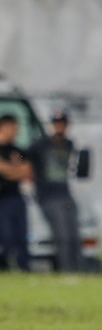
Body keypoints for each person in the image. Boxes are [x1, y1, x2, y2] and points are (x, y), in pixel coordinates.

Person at [25, 110, 84, 272]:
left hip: (65, 194)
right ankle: (67, 270)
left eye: (62, 124)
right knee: (62, 236)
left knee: (75, 235)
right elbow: (24, 159)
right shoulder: (40, 144)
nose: (59, 127)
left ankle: (80, 270)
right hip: (48, 196)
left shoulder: (69, 144)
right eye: (56, 123)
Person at [0, 114, 32, 272]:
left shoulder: (17, 150)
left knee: (21, 233)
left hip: (16, 196)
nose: (15, 131)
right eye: (13, 127)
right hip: (2, 198)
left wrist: (8, 170)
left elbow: (27, 172)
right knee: (6, 234)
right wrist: (14, 171)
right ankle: (6, 265)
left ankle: (23, 266)